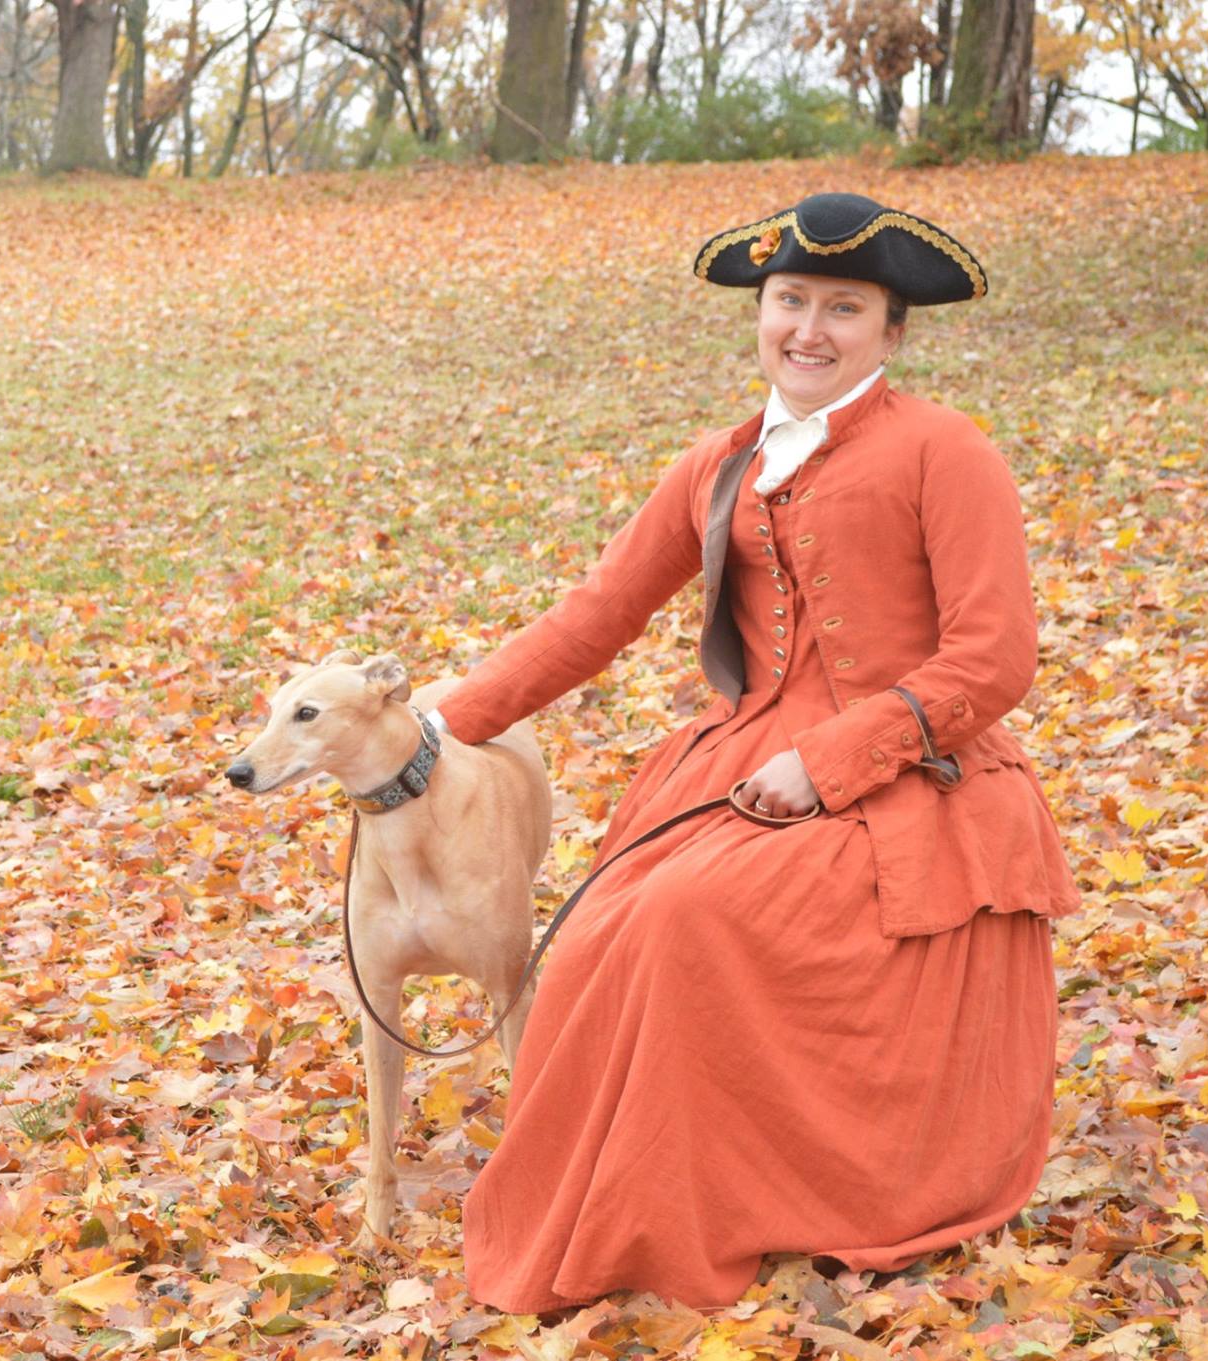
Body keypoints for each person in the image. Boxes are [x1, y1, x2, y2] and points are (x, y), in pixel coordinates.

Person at [422, 192, 1083, 1312]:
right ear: (759, 310)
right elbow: (598, 612)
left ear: (890, 329)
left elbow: (992, 656)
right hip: (741, 758)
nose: (807, 329)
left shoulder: (942, 449)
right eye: (788, 301)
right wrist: (444, 720)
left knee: (689, 923)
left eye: (842, 306)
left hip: (912, 778)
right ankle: (601, 1206)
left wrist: (832, 758)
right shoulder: (718, 462)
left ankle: (717, 1204)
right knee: (592, 932)